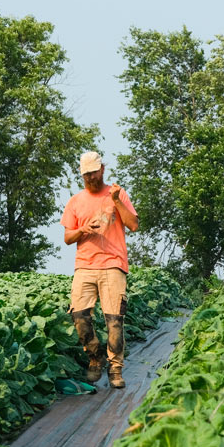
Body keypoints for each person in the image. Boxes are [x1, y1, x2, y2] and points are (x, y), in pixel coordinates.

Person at [61, 151, 138, 389]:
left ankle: (115, 369)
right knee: (79, 316)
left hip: (113, 264)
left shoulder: (118, 193)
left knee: (114, 320)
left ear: (102, 169)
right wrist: (83, 229)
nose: (90, 178)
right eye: (85, 175)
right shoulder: (76, 201)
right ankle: (95, 357)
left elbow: (134, 225)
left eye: (93, 173)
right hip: (85, 265)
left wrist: (115, 201)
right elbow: (67, 237)